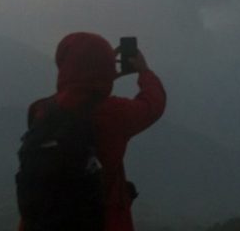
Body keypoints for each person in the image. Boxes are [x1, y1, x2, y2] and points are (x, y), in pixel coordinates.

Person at [19, 32, 167, 231]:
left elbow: (75, 93)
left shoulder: (39, 110)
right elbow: (153, 104)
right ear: (106, 66)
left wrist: (101, 75)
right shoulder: (115, 114)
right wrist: (144, 72)